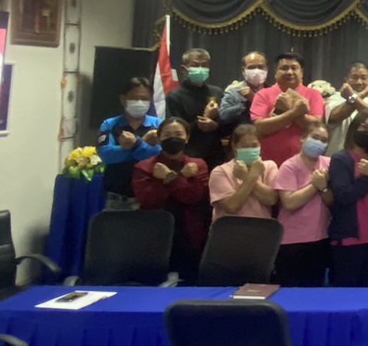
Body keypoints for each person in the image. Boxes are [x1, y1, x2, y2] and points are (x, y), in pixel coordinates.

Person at [131, 117, 210, 281]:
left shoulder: (198, 165)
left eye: (178, 134)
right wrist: (181, 177)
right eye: (167, 135)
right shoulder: (144, 167)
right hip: (154, 237)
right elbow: (148, 199)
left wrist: (169, 177)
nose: (173, 138)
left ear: (187, 137)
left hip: (191, 237)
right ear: (159, 138)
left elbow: (194, 196)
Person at [272, 120, 334, 288]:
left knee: (314, 288)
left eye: (323, 140)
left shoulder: (329, 164)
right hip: (292, 241)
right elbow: (289, 202)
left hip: (320, 238)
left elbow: (331, 201)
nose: (318, 142)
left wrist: (324, 188)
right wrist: (315, 186)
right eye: (315, 137)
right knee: (290, 290)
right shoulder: (289, 167)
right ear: (303, 138)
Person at [328, 119, 368, 288]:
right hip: (349, 237)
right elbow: (344, 196)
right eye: (365, 126)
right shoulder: (341, 159)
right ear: (354, 127)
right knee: (346, 291)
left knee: (366, 288)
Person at [250, 51, 327, 165]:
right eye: (284, 68)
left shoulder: (314, 95)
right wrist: (294, 112)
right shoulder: (262, 94)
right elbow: (261, 127)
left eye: (294, 68)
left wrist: (287, 108)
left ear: (302, 72)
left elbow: (314, 127)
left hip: (305, 163)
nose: (289, 72)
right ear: (275, 73)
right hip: (269, 162)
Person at [97, 77, 161, 207]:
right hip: (117, 197)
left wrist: (134, 145)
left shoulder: (159, 125)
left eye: (144, 99)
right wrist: (142, 143)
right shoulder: (110, 124)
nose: (139, 102)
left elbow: (159, 156)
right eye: (134, 98)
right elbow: (106, 155)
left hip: (151, 196)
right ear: (123, 99)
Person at [164, 48, 226, 167]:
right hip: (188, 156)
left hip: (215, 156)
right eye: (196, 65)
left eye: (204, 65)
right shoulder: (175, 96)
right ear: (184, 70)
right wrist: (204, 118)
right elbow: (176, 132)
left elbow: (226, 126)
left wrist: (216, 125)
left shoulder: (217, 92)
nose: (200, 69)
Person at [209, 123, 279, 222]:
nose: (250, 149)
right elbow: (232, 206)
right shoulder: (220, 171)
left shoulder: (269, 166)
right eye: (245, 146)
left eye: (254, 145)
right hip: (229, 227)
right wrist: (252, 177)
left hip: (261, 226)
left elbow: (271, 199)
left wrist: (246, 177)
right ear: (234, 147)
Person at [324, 61, 368, 154]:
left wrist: (352, 97)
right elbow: (333, 117)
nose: (359, 82)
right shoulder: (336, 97)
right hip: (336, 154)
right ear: (346, 80)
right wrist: (362, 94)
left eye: (364, 78)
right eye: (354, 77)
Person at [218, 52, 269, 131]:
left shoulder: (272, 92)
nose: (256, 71)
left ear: (266, 69)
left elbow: (276, 117)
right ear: (243, 70)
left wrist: (254, 100)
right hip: (241, 137)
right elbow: (223, 117)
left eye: (260, 67)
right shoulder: (233, 92)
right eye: (251, 67)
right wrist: (244, 105)